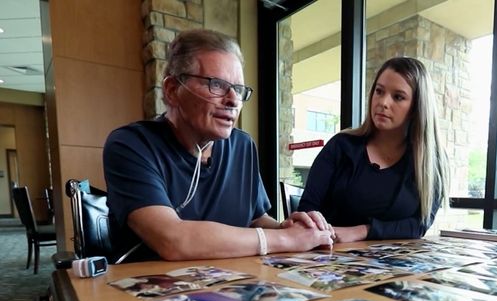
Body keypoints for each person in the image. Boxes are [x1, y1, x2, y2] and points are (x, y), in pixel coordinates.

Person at [103, 29, 333, 262]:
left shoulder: (242, 145)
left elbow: (256, 219)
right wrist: (285, 240)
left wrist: (291, 229)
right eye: (217, 84)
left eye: (239, 89)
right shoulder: (131, 145)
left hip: (233, 286)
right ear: (173, 90)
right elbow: (172, 240)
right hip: (149, 291)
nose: (233, 100)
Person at [298, 57, 450, 242]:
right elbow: (306, 209)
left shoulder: (432, 161)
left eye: (398, 97)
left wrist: (362, 231)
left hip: (397, 265)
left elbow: (419, 224)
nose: (383, 102)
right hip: (328, 257)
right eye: (379, 91)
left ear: (416, 107)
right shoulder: (341, 146)